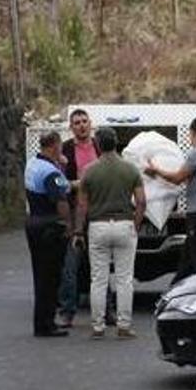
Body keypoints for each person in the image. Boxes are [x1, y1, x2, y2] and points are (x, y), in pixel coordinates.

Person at [76, 128, 146, 339]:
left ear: (97, 143)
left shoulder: (88, 171)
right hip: (124, 224)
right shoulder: (131, 169)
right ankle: (124, 326)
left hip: (98, 225)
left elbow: (82, 206)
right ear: (116, 143)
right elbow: (141, 201)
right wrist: (136, 223)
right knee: (125, 279)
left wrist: (80, 230)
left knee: (98, 279)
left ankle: (98, 326)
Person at [145, 117, 196, 282]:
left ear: (192, 132)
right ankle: (174, 290)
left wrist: (156, 171)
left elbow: (177, 178)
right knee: (187, 261)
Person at [24, 131, 73, 338]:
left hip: (34, 221)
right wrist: (69, 225)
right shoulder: (50, 172)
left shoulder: (33, 164)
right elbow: (61, 200)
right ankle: (46, 324)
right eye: (60, 146)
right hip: (50, 226)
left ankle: (42, 321)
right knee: (51, 278)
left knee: (40, 276)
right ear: (54, 146)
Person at [56, 109, 100, 328]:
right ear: (71, 127)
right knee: (71, 264)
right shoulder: (64, 150)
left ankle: (107, 310)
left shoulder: (100, 147)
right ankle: (67, 312)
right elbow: (59, 182)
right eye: (77, 123)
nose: (82, 125)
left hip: (99, 211)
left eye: (84, 121)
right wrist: (78, 184)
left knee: (100, 265)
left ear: (90, 124)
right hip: (75, 213)